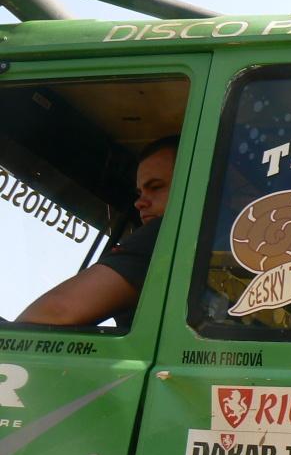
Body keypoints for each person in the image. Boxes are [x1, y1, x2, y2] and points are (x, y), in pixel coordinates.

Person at [16, 135, 179, 328]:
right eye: (140, 193)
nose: (139, 203)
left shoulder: (168, 234)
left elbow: (56, 311)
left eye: (156, 187)